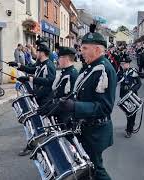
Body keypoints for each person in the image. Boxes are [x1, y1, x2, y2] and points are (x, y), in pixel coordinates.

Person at [49, 24, 117, 180]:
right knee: (85, 167)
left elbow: (105, 107)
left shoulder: (104, 70)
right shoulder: (88, 68)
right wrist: (62, 104)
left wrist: (75, 106)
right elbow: (79, 94)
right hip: (85, 127)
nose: (81, 51)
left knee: (96, 169)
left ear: (98, 49)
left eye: (85, 48)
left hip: (96, 131)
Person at [9, 40, 56, 156]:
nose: (36, 53)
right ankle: (37, 144)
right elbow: (31, 69)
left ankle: (35, 145)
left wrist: (30, 79)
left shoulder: (49, 65)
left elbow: (50, 81)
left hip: (45, 98)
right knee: (38, 123)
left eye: (38, 51)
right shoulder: (40, 64)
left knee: (38, 123)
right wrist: (18, 66)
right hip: (38, 96)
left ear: (43, 53)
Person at [37, 47, 79, 116]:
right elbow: (55, 94)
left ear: (66, 58)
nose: (57, 60)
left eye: (59, 58)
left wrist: (49, 109)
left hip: (63, 115)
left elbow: (68, 100)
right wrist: (45, 105)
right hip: (57, 110)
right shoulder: (65, 72)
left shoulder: (72, 75)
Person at [117, 55, 141, 138]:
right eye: (121, 64)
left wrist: (132, 90)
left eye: (125, 64)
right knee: (128, 112)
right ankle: (130, 124)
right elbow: (115, 81)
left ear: (128, 64)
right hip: (124, 95)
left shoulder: (133, 71)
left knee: (132, 113)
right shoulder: (120, 73)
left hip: (132, 95)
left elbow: (139, 83)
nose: (123, 65)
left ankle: (129, 130)